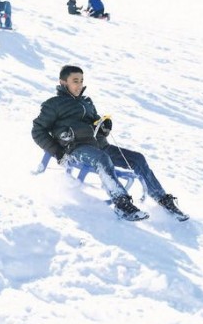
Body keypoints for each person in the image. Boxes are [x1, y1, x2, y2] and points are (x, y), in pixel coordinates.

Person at [31, 65, 189, 222]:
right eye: (75, 81)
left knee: (138, 159)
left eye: (81, 81)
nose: (79, 85)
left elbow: (95, 123)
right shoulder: (53, 104)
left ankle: (163, 200)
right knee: (102, 159)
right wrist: (58, 152)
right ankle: (121, 203)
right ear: (63, 82)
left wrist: (103, 127)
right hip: (76, 149)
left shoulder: (86, 102)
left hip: (100, 145)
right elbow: (38, 131)